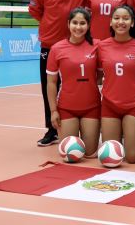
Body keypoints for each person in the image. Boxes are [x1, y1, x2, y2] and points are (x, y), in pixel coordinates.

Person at [28, 0, 91, 146]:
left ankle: (81, 124)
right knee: (49, 87)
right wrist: (50, 25)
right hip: (49, 45)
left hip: (76, 47)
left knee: (76, 87)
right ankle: (51, 129)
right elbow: (35, 10)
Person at [97, 5, 135, 163]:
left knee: (132, 157)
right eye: (117, 18)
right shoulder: (102, 46)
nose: (121, 22)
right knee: (110, 155)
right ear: (111, 22)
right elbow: (99, 75)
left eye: (126, 18)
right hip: (109, 104)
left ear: (132, 23)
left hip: (134, 105)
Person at [46, 8, 100, 157]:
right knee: (70, 153)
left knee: (89, 153)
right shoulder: (57, 49)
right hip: (67, 107)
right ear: (68, 24)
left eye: (82, 23)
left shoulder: (97, 46)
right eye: (75, 23)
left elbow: (102, 74)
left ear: (88, 25)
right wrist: (53, 111)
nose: (78, 27)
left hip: (91, 107)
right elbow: (51, 82)